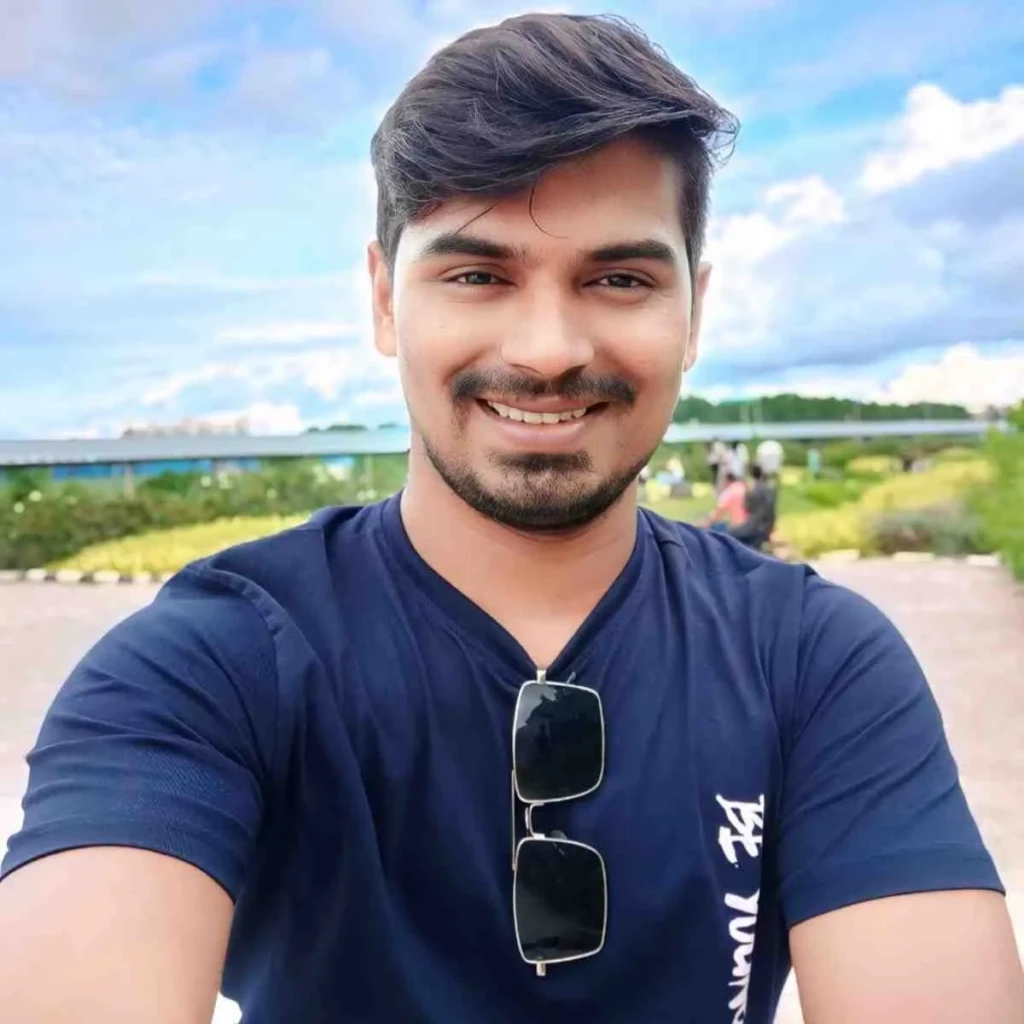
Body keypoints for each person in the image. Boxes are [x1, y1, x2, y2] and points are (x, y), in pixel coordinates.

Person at [1, 14, 1021, 1024]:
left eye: (618, 279)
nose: (546, 349)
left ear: (694, 313)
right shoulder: (212, 666)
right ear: (384, 300)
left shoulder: (811, 661)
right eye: (477, 275)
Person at [728, 463, 777, 550]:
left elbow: (747, 507)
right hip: (766, 528)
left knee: (728, 533)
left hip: (754, 528)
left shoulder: (753, 489)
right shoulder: (769, 488)